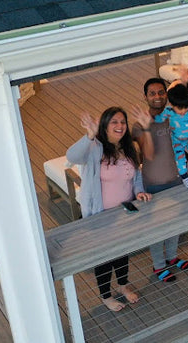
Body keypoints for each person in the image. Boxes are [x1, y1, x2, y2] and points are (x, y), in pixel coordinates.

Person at [66, 107, 152, 311]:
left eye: (122, 122)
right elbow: (71, 155)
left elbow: (136, 174)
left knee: (122, 252)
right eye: (114, 122)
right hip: (100, 216)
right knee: (104, 258)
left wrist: (139, 191)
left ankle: (122, 286)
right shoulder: (95, 147)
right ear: (104, 125)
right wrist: (89, 134)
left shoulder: (128, 147)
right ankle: (105, 296)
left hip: (123, 213)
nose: (120, 126)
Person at [132, 78, 188, 282]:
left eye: (161, 92)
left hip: (176, 180)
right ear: (146, 97)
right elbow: (148, 154)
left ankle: (172, 257)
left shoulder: (174, 117)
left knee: (175, 221)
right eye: (152, 93)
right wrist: (148, 127)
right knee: (156, 227)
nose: (157, 96)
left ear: (166, 95)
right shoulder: (139, 124)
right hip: (153, 184)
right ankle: (158, 265)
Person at [154, 83, 188, 188]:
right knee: (180, 160)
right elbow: (158, 119)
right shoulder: (168, 111)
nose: (183, 111)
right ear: (172, 105)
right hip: (177, 140)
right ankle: (185, 178)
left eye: (185, 107)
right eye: (179, 109)